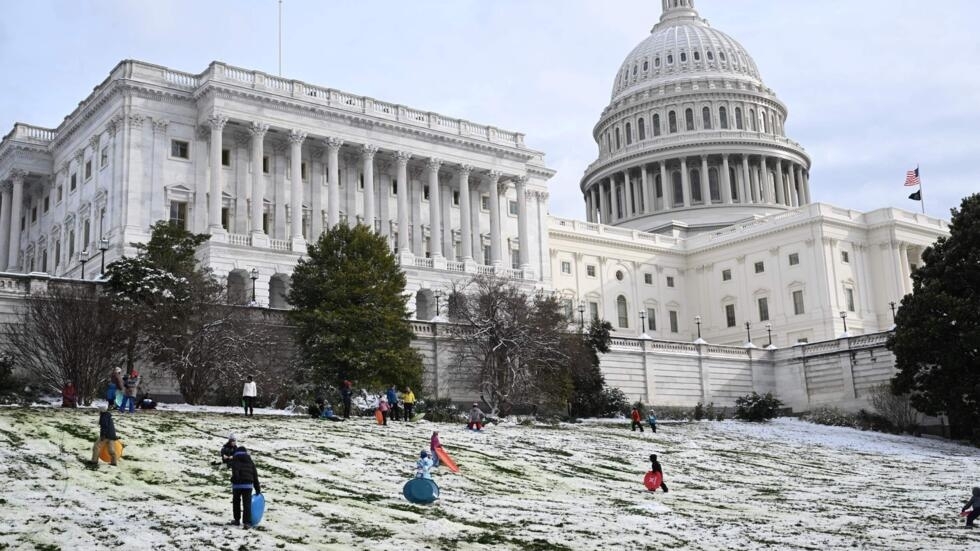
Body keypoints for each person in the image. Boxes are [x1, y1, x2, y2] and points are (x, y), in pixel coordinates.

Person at [229, 446, 261, 529]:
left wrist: (233, 479)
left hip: (237, 485)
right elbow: (255, 475)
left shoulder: (235, 459)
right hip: (248, 485)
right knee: (247, 504)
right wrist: (257, 488)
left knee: (236, 502)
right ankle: (246, 523)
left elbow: (235, 472)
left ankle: (236, 520)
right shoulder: (250, 461)